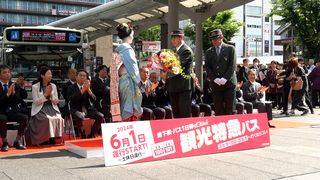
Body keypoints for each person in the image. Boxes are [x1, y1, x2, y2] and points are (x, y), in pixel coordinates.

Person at [27, 66, 64, 145]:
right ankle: (44, 139)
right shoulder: (35, 86)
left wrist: (51, 95)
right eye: (48, 74)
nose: (50, 76)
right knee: (46, 119)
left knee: (58, 118)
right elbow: (36, 102)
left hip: (51, 108)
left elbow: (56, 101)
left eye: (51, 74)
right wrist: (45, 95)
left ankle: (53, 138)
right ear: (42, 75)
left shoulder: (53, 86)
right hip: (40, 109)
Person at [205, 29, 237, 115]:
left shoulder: (230, 49)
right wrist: (215, 79)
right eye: (212, 39)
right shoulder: (209, 52)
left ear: (222, 38)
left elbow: (232, 66)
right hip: (216, 85)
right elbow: (207, 67)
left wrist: (224, 78)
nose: (214, 41)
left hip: (229, 83)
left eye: (216, 38)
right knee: (218, 109)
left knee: (230, 109)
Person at [115, 23, 142, 121]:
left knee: (124, 104)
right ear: (129, 35)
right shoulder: (127, 49)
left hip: (122, 80)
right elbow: (133, 67)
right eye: (133, 35)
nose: (133, 37)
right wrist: (139, 81)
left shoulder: (119, 49)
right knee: (129, 106)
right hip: (128, 80)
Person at [67, 69, 104, 138]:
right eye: (80, 75)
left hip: (87, 109)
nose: (82, 77)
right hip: (76, 108)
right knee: (79, 116)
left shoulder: (88, 87)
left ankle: (92, 134)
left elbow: (94, 99)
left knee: (100, 116)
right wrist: (83, 90)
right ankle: (82, 135)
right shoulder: (71, 87)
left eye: (84, 76)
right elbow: (72, 99)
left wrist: (89, 91)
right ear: (76, 77)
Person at [166, 29, 194, 118]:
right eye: (172, 38)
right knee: (176, 114)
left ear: (181, 37)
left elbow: (177, 66)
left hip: (183, 87)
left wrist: (164, 67)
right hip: (174, 86)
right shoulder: (175, 51)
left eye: (175, 38)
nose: (173, 40)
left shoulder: (186, 50)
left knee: (184, 114)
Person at [0, 65, 28, 151]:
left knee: (24, 118)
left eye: (9, 72)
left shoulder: (14, 85)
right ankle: (5, 142)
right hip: (1, 111)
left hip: (12, 111)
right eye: (5, 72)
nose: (7, 74)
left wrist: (13, 94)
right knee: (2, 119)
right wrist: (7, 94)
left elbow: (18, 100)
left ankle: (17, 140)